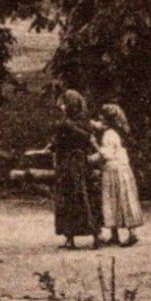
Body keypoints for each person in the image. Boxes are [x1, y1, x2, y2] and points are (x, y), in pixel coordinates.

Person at [52, 89, 103, 249]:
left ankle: (70, 237)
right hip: (83, 163)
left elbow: (58, 144)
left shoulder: (64, 124)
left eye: (63, 104)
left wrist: (53, 147)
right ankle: (95, 235)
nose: (61, 107)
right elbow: (88, 139)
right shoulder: (85, 122)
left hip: (68, 164)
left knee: (69, 198)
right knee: (87, 196)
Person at [95, 103, 144, 247]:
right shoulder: (119, 130)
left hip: (113, 169)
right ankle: (118, 234)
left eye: (101, 116)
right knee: (124, 198)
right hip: (123, 168)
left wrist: (94, 155)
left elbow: (106, 153)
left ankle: (129, 233)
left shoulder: (108, 134)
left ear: (106, 119)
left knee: (113, 199)